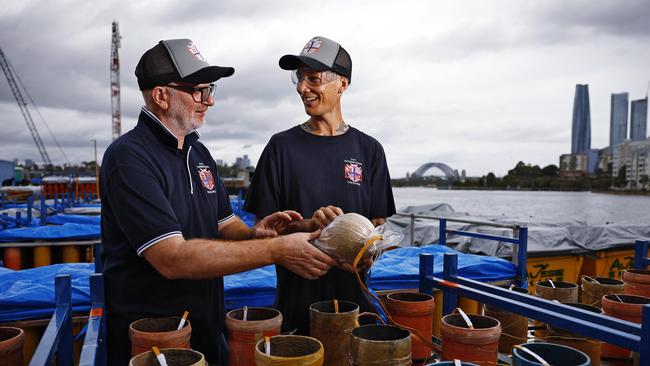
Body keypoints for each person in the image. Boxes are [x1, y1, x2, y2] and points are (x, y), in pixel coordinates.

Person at [100, 39, 337, 365]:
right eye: (198, 90)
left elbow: (225, 224)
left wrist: (256, 235)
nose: (209, 101)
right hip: (155, 341)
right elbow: (171, 258)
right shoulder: (129, 158)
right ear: (161, 95)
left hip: (206, 327)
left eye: (210, 89)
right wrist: (276, 251)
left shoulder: (198, 153)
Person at [244, 36, 396, 335]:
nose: (302, 88)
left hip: (356, 311)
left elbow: (380, 228)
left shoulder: (369, 150)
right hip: (296, 310)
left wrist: (363, 249)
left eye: (313, 78)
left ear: (342, 83)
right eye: (299, 78)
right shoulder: (281, 147)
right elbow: (262, 231)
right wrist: (310, 225)